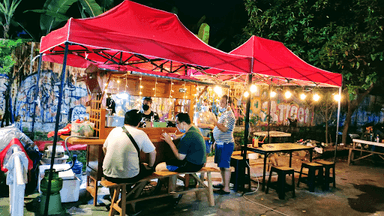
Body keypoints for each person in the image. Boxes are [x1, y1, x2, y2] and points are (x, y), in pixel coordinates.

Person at [102, 109, 156, 184]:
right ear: (139, 123)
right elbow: (153, 152)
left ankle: (117, 195)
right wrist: (150, 167)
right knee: (148, 172)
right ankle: (134, 195)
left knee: (133, 169)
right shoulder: (140, 133)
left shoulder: (114, 130)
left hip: (107, 174)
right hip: (130, 176)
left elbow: (104, 148)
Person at [212, 95, 236, 194]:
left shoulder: (230, 116)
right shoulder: (224, 114)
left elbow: (224, 128)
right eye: (220, 102)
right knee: (221, 165)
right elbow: (219, 128)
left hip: (226, 144)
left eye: (222, 102)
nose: (220, 104)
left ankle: (226, 188)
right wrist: (216, 141)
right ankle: (223, 183)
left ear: (228, 104)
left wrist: (214, 121)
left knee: (225, 165)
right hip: (220, 143)